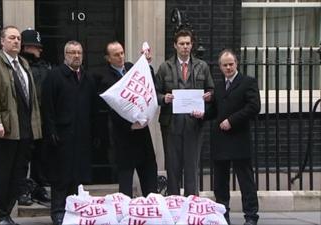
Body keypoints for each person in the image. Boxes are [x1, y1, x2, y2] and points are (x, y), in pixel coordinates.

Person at [0, 25, 42, 225]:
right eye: (12, 38)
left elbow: (30, 99)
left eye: (18, 39)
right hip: (5, 130)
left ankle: (6, 213)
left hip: (25, 130)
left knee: (18, 176)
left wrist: (36, 127)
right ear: (2, 41)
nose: (16, 41)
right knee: (2, 175)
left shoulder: (23, 63)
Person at [199, 49, 260, 225]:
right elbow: (214, 112)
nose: (228, 68)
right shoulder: (218, 87)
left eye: (231, 64)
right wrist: (201, 112)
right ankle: (222, 215)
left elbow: (254, 107)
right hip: (221, 140)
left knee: (246, 181)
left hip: (239, 138)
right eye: (224, 65)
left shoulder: (248, 82)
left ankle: (251, 216)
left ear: (236, 64)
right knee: (220, 182)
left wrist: (231, 121)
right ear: (220, 67)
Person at [41, 40, 97, 225]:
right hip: (61, 135)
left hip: (81, 135)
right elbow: (47, 107)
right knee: (61, 177)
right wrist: (51, 131)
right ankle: (57, 211)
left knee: (77, 176)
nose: (76, 56)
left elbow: (93, 109)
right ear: (65, 55)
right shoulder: (55, 76)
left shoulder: (87, 78)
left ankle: (72, 211)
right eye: (72, 52)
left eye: (79, 52)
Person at [155, 29, 214, 196]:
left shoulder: (202, 66)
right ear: (175, 45)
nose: (185, 47)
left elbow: (211, 90)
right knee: (172, 167)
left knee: (191, 167)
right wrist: (163, 98)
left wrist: (209, 96)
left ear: (192, 45)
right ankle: (174, 203)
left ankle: (191, 206)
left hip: (193, 123)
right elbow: (154, 93)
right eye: (182, 43)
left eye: (188, 43)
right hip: (171, 123)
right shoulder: (165, 67)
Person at [97, 41, 158, 197]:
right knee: (125, 183)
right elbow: (111, 110)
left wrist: (146, 64)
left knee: (149, 178)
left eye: (122, 53)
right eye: (116, 55)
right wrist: (130, 126)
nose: (121, 57)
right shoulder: (105, 79)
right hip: (124, 137)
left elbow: (149, 85)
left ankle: (151, 210)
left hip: (143, 135)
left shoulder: (131, 68)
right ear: (108, 58)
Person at [17, 28, 51, 206]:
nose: (40, 50)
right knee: (23, 157)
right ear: (28, 47)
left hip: (43, 119)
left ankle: (37, 188)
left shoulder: (45, 66)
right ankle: (22, 190)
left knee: (40, 156)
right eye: (36, 47)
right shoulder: (20, 65)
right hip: (25, 119)